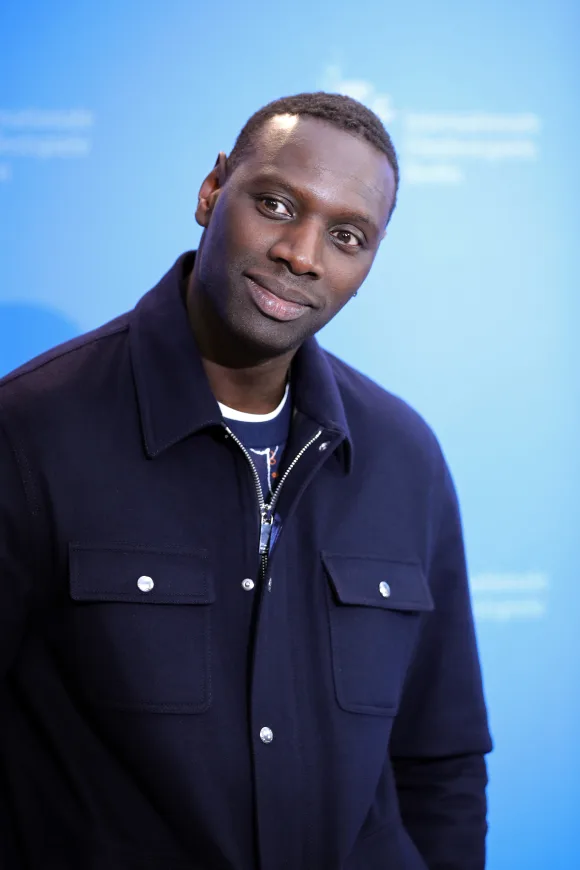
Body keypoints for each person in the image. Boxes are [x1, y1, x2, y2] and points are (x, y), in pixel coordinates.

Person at [0, 92, 492, 870]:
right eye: (275, 204)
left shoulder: (404, 457)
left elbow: (441, 763)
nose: (302, 253)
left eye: (346, 236)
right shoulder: (30, 430)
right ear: (210, 192)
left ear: (368, 264)